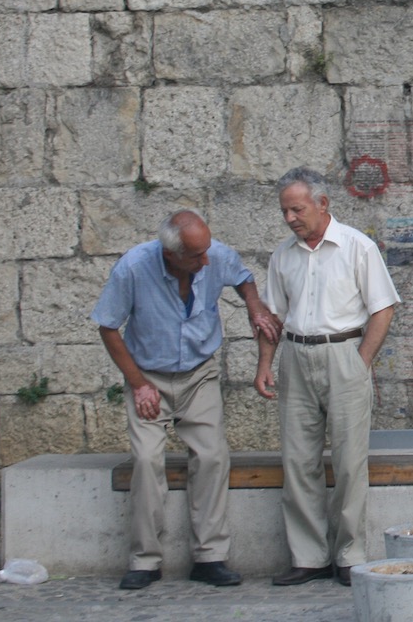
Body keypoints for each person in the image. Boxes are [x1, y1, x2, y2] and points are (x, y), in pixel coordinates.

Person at [92, 209, 281, 591]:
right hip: (148, 376)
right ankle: (144, 560)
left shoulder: (213, 254)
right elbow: (108, 326)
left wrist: (253, 304)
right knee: (146, 460)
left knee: (212, 455)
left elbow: (243, 278)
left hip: (199, 372)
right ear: (170, 254)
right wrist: (138, 384)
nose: (206, 260)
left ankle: (210, 557)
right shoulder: (132, 268)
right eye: (196, 256)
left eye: (206, 250)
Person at [255, 166, 400, 587]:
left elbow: (383, 308)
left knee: (350, 461)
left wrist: (362, 361)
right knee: (298, 460)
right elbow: (272, 316)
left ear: (322, 204)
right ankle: (309, 556)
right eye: (284, 211)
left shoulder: (357, 246)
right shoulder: (283, 255)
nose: (290, 218)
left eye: (296, 209)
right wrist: (265, 363)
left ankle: (350, 554)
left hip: (344, 353)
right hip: (296, 356)